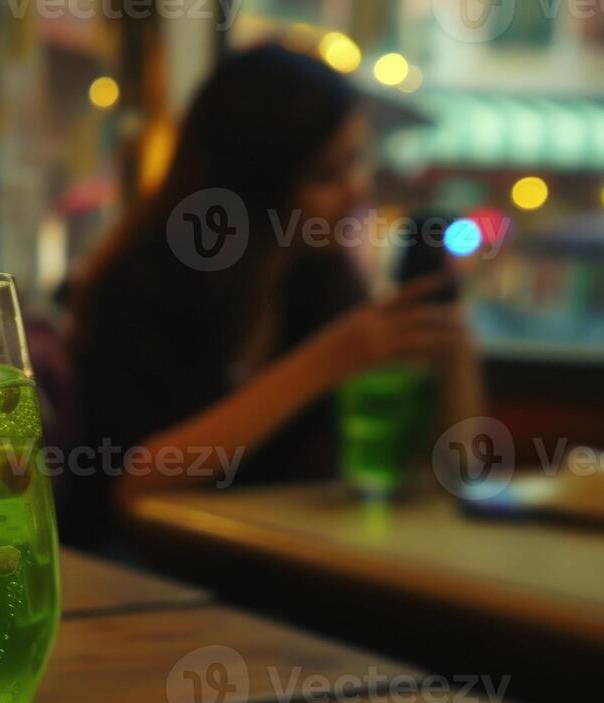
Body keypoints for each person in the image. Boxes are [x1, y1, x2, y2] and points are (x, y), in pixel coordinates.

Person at [61, 45, 482, 550]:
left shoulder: (322, 280)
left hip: (285, 565)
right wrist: (329, 359)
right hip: (149, 578)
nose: (357, 191)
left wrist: (454, 351)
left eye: (356, 163)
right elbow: (134, 482)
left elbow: (457, 477)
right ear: (253, 185)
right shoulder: (139, 286)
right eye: (327, 175)